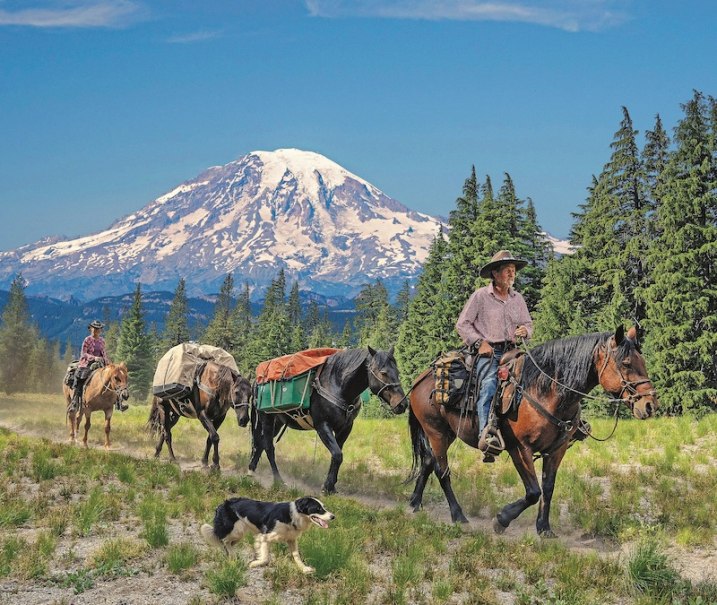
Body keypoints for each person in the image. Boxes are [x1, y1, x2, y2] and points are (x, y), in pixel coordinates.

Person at [456, 250, 533, 462]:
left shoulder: (518, 299)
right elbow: (462, 324)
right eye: (507, 270)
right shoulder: (481, 296)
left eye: (513, 270)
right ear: (495, 274)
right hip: (487, 352)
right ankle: (486, 433)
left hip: (512, 351)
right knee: (490, 384)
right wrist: (480, 343)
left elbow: (528, 324)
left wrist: (524, 332)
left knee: (534, 380)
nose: (512, 274)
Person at [71, 320, 127, 412]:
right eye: (95, 328)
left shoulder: (102, 341)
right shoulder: (87, 340)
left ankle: (118, 403)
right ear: (91, 329)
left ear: (100, 330)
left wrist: (108, 363)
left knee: (113, 378)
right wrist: (94, 358)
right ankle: (75, 401)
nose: (96, 330)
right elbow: (84, 353)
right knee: (80, 377)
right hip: (87, 363)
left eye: (98, 329)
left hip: (101, 363)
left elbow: (104, 353)